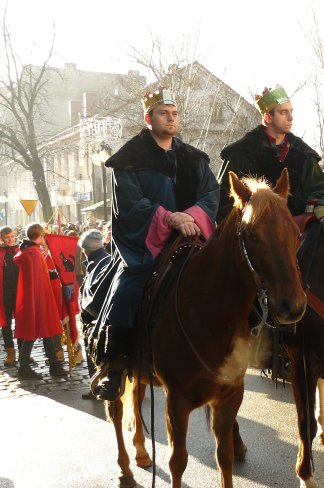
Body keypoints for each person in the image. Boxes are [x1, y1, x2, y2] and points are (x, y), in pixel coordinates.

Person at [91, 86, 220, 401]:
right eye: (164, 113)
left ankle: (242, 344)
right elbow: (130, 205)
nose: (171, 118)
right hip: (147, 245)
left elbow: (211, 195)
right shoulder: (128, 160)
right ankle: (116, 361)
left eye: (174, 114)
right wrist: (170, 219)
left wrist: (190, 217)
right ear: (148, 118)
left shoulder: (194, 158)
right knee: (127, 288)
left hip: (192, 239)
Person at [217, 85, 324, 223]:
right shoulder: (240, 153)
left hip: (298, 232)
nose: (291, 117)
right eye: (283, 112)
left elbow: (320, 190)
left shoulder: (303, 154)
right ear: (268, 117)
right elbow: (222, 201)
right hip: (253, 235)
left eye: (291, 111)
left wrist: (323, 208)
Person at [13, 223, 67, 380]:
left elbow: (39, 275)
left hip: (36, 298)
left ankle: (54, 365)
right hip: (37, 299)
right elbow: (36, 280)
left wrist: (52, 273)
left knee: (46, 332)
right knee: (32, 334)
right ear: (40, 235)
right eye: (44, 235)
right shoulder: (34, 254)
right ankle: (24, 367)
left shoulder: (31, 252)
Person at [78, 229, 110, 400]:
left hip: (96, 320)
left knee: (95, 354)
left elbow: (94, 297)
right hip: (98, 317)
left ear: (86, 249)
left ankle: (96, 386)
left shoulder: (101, 263)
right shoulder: (101, 260)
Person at [0, 227, 19, 367]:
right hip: (4, 294)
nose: (10, 239)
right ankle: (10, 353)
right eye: (7, 237)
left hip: (19, 293)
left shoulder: (20, 251)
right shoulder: (1, 253)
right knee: (6, 324)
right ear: (2, 239)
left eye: (12, 236)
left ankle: (25, 352)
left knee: (21, 323)